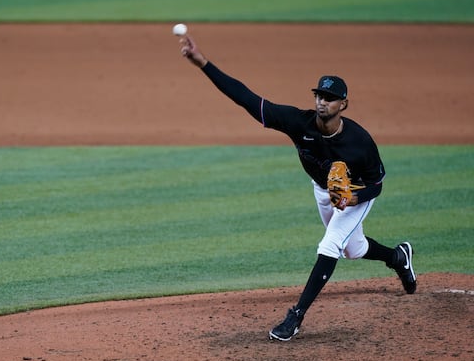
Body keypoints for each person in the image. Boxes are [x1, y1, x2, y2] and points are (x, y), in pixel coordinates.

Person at [177, 34, 417, 341]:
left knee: (329, 246)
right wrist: (203, 64)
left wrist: (354, 197)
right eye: (318, 95)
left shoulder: (360, 142)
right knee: (353, 249)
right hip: (322, 190)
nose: (322, 101)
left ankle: (295, 317)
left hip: (356, 195)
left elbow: (377, 184)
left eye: (329, 98)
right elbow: (246, 98)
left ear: (343, 104)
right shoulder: (297, 122)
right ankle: (398, 257)